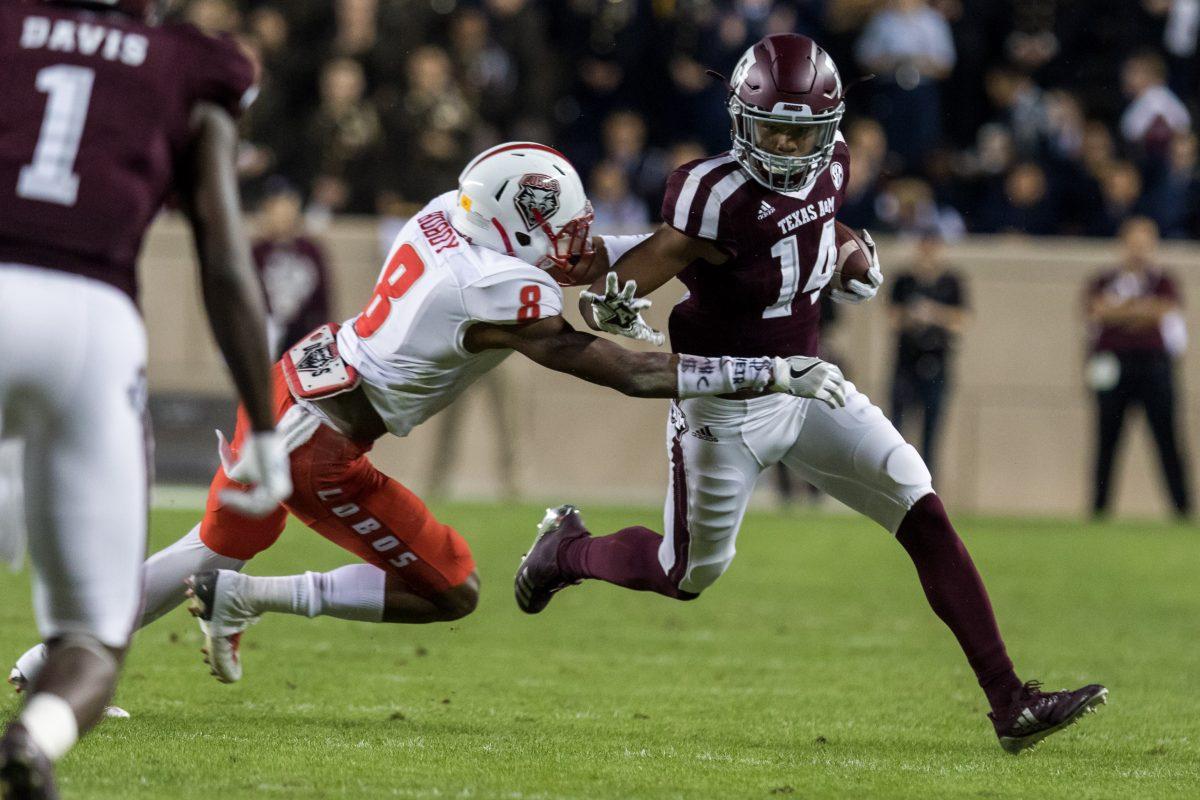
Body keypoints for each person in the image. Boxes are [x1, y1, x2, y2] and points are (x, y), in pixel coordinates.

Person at [9, 142, 841, 695]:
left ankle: (58, 658)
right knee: (449, 592)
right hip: (320, 444)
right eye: (562, 227)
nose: (578, 241)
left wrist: (633, 270)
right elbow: (625, 372)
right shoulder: (494, 287)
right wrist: (767, 371)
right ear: (514, 225)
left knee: (211, 544)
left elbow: (587, 267)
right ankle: (239, 599)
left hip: (295, 386)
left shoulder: (456, 214)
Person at [515, 33, 1107, 755]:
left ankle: (1010, 702)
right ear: (740, 119)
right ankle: (565, 551)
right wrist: (602, 283)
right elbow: (642, 271)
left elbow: (814, 225)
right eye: (776, 129)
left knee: (917, 501)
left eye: (807, 131)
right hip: (723, 405)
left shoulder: (834, 166)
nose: (792, 147)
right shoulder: (712, 194)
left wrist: (850, 252)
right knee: (686, 571)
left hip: (810, 385)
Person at [0, 0, 290, 795]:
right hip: (92, 319)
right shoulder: (191, 63)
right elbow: (225, 258)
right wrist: (263, 428)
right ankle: (32, 740)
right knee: (92, 637)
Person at [1085, 216, 1191, 519]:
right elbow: (1097, 312)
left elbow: (1163, 313)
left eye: (1145, 244)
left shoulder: (1165, 282)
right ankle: (1099, 509)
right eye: (1134, 244)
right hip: (1114, 367)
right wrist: (1140, 311)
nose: (1139, 251)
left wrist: (1120, 312)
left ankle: (1182, 509)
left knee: (1167, 439)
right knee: (1107, 440)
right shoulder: (1103, 279)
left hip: (1154, 368)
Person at [888, 232, 969, 475]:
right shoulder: (904, 280)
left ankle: (927, 484)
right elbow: (892, 318)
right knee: (897, 428)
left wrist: (932, 313)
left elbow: (961, 320)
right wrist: (911, 317)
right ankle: (895, 478)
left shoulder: (951, 281)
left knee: (932, 431)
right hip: (906, 362)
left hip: (937, 363)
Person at [251, 179, 333, 358]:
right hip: (266, 332)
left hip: (303, 333)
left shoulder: (311, 250)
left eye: (288, 211)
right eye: (278, 211)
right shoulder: (257, 251)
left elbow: (322, 296)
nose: (284, 218)